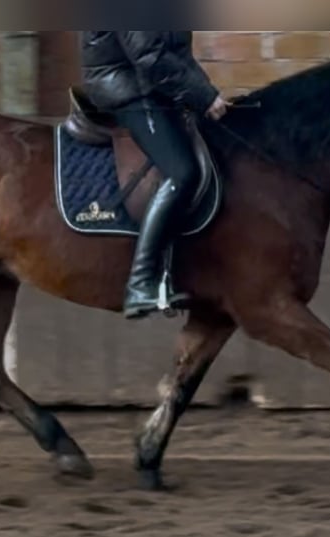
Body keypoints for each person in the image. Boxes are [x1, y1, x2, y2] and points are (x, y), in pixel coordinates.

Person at [80, 31, 231, 320]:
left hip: (150, 85)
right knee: (182, 172)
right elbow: (149, 57)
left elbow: (177, 55)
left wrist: (205, 92)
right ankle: (140, 283)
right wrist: (204, 95)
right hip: (127, 87)